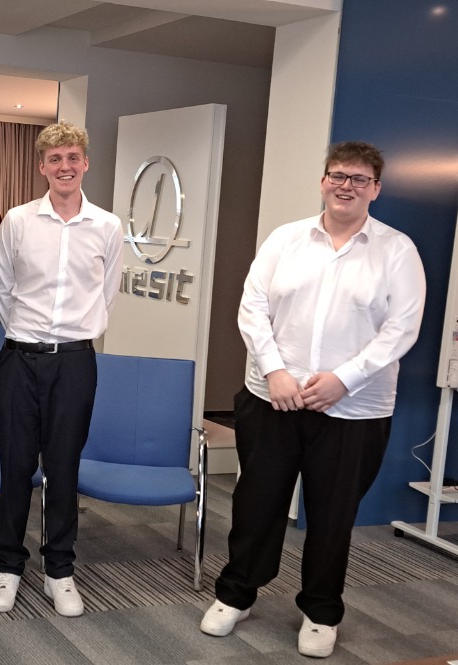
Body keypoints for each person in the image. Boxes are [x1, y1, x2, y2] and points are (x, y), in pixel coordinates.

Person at [200, 141, 426, 658]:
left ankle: (321, 612)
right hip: (272, 399)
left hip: (353, 410)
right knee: (256, 504)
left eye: (359, 179)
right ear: (323, 181)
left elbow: (402, 328)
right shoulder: (286, 239)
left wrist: (344, 379)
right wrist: (275, 371)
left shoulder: (397, 251)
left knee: (331, 514)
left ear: (376, 189)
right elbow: (253, 307)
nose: (347, 186)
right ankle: (236, 595)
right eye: (338, 175)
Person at [0, 120, 124, 617]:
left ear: (85, 162)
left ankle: (59, 570)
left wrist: (68, 337)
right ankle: (8, 565)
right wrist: (30, 335)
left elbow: (107, 293)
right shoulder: (19, 221)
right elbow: (1, 289)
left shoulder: (107, 226)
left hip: (75, 361)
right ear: (42, 167)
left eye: (72, 158)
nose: (64, 166)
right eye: (54, 159)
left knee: (64, 468)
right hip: (19, 359)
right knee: (15, 466)